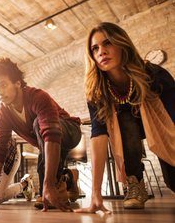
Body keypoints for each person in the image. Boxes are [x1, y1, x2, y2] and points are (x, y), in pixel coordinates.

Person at [75, 22, 175, 213]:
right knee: (124, 116)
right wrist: (96, 194)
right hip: (126, 130)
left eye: (108, 43)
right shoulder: (96, 91)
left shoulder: (154, 74)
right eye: (95, 48)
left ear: (122, 44)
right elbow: (98, 134)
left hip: (162, 125)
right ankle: (134, 184)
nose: (101, 52)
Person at [0, 57, 82, 212]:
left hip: (70, 131)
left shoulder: (38, 97)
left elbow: (51, 135)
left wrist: (48, 185)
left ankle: (57, 183)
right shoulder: (2, 114)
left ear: (17, 83)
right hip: (46, 141)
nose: (0, 92)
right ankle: (68, 178)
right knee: (44, 193)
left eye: (4, 85)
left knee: (38, 125)